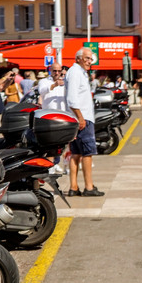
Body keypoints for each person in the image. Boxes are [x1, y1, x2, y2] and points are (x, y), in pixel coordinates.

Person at [64, 47, 104, 197]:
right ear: (78, 58)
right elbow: (72, 99)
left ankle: (74, 187)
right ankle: (89, 186)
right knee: (87, 153)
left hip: (80, 117)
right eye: (87, 58)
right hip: (82, 118)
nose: (89, 61)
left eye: (90, 59)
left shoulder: (79, 73)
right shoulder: (75, 73)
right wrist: (81, 118)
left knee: (76, 153)